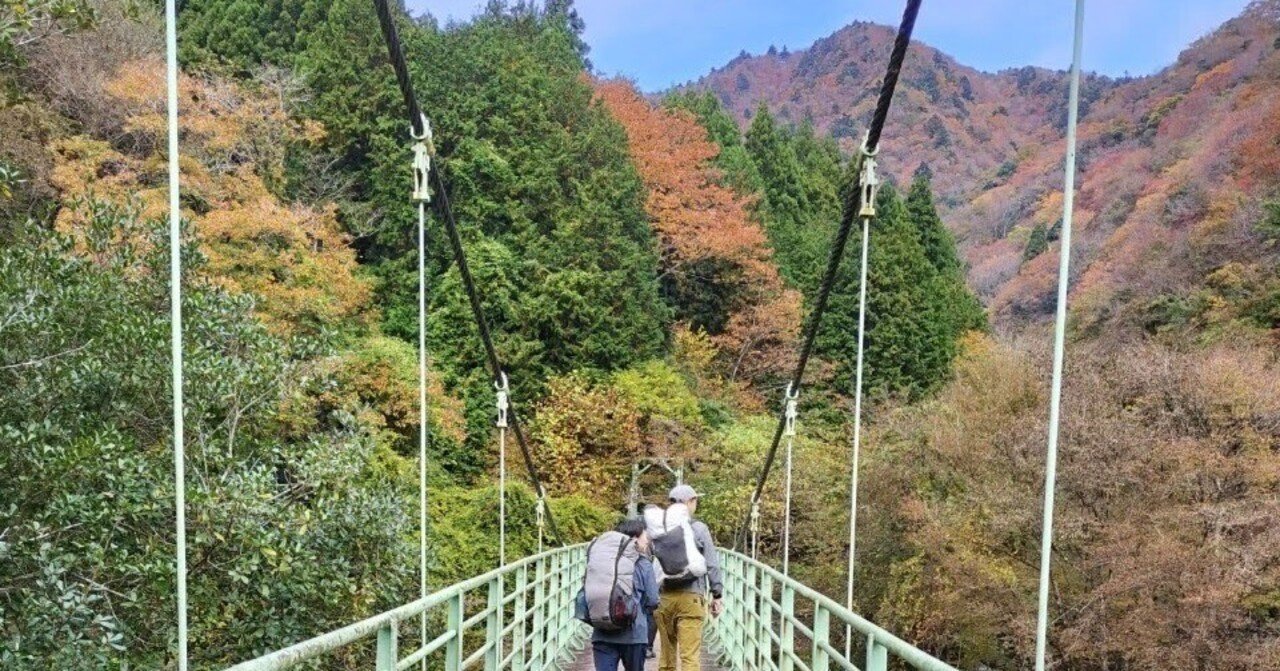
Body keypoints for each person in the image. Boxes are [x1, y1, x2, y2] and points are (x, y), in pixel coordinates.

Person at [655, 484, 723, 671]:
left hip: (664, 598)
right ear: (690, 502)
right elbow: (711, 563)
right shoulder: (699, 528)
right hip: (691, 598)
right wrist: (717, 594)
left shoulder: (658, 527)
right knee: (690, 657)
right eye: (695, 500)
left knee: (667, 658)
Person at [591, 518, 661, 671]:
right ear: (635, 539)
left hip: (602, 632)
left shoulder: (600, 561)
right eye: (645, 536)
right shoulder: (643, 564)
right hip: (634, 635)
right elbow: (653, 599)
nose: (647, 540)